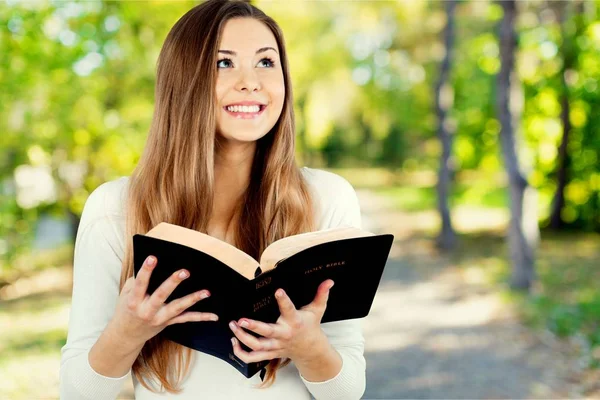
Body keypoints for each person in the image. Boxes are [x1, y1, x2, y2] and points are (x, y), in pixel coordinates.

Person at [59, 1, 366, 399]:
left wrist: (310, 350)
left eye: (266, 62)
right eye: (224, 63)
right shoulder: (114, 209)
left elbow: (348, 391)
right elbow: (77, 392)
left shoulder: (327, 198)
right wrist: (127, 332)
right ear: (183, 81)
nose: (250, 81)